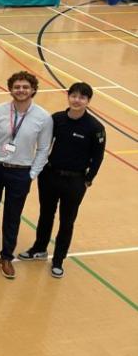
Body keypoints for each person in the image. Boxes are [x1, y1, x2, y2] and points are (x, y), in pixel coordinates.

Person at [19, 82, 105, 278]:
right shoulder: (56, 119)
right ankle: (39, 249)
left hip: (75, 181)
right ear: (68, 97)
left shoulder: (95, 127)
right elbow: (44, 145)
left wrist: (88, 179)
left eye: (82, 97)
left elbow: (98, 157)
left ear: (88, 101)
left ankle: (58, 260)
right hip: (50, 176)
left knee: (67, 221)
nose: (77, 100)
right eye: (74, 96)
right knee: (46, 214)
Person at [0, 71, 53, 279]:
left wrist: (31, 174)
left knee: (12, 214)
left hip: (20, 172)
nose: (21, 90)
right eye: (17, 86)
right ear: (10, 89)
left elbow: (44, 149)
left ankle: (6, 256)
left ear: (33, 89)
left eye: (25, 87)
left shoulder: (43, 117)